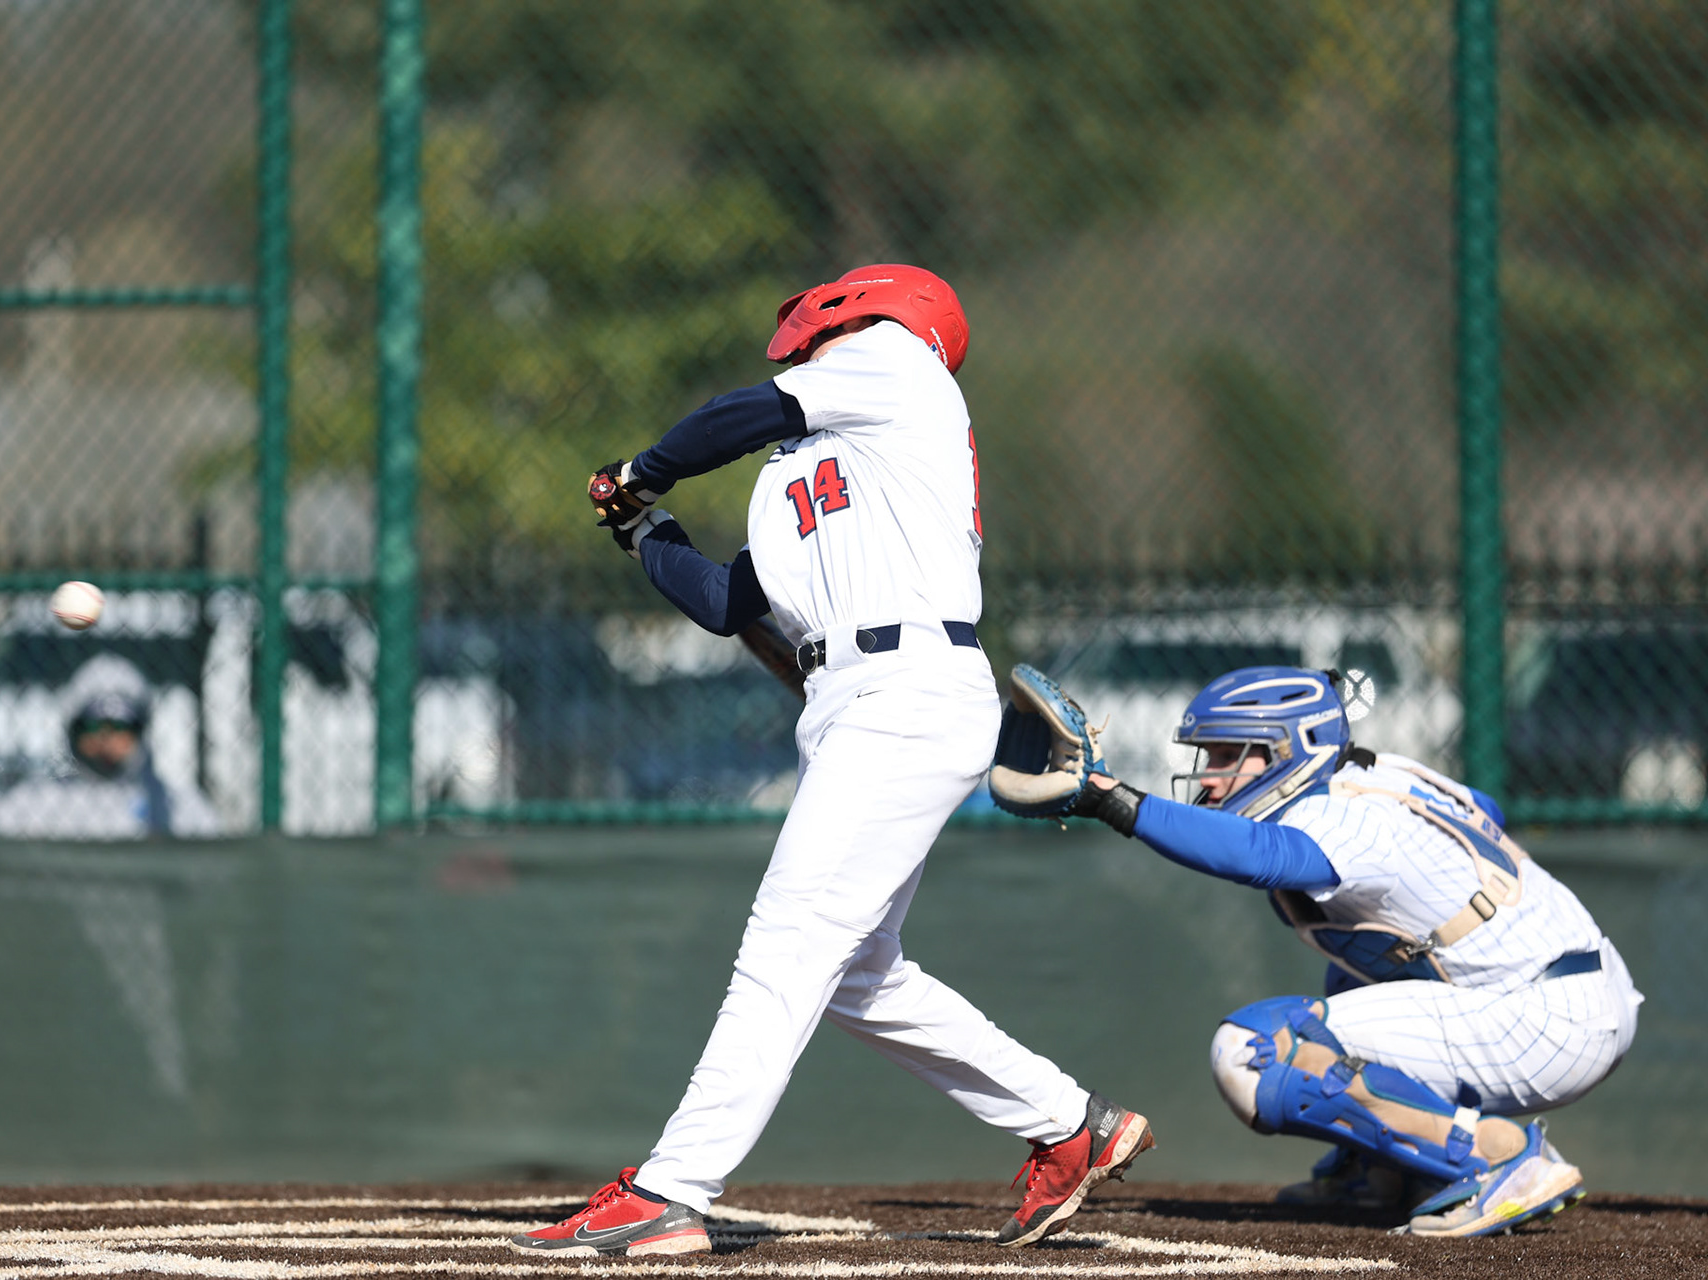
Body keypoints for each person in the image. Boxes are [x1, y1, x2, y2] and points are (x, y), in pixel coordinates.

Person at [510, 265, 1154, 1259]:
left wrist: (645, 468)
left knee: (788, 941)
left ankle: (673, 1189)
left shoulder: (894, 363)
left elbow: (735, 413)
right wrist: (646, 533)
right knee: (857, 971)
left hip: (907, 684)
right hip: (849, 697)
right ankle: (1072, 1122)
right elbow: (731, 604)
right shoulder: (819, 458)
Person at [1043, 664, 1642, 1238]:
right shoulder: (1378, 774)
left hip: (1546, 1017)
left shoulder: (1338, 813)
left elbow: (1260, 856)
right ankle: (1383, 1169)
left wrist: (1113, 800)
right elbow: (1489, 810)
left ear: (1287, 752)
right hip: (1569, 989)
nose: (1207, 775)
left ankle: (1498, 1158)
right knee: (1349, 976)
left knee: (1256, 1053)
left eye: (1228, 755)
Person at [0, 654, 222, 840]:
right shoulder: (36, 802)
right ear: (73, 729)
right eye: (93, 725)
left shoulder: (176, 806)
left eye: (120, 725)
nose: (105, 738)